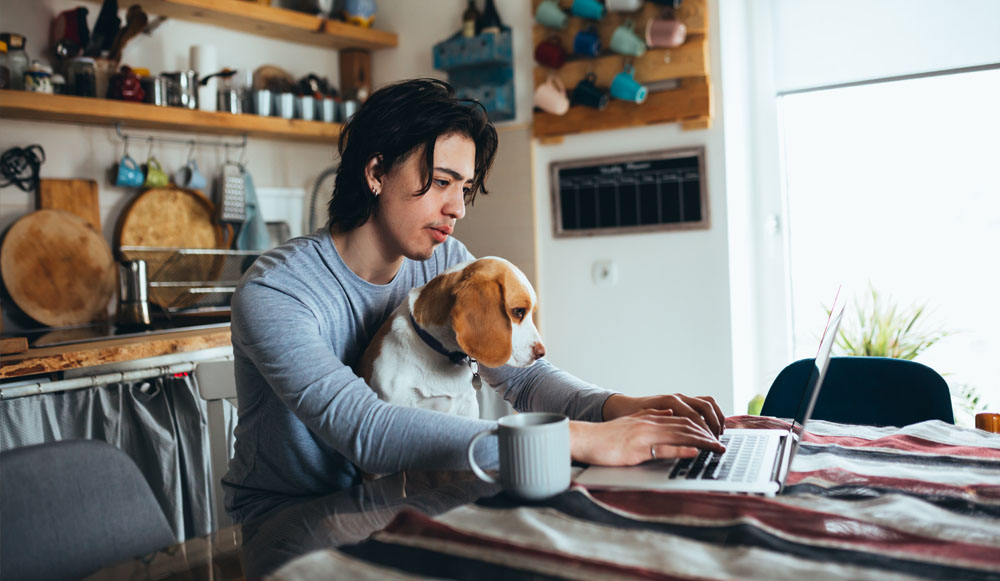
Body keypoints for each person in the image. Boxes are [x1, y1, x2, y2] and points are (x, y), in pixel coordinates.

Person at [223, 78, 726, 524]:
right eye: (441, 182)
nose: (458, 208)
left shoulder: (446, 262)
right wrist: (573, 438)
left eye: (464, 188)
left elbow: (522, 376)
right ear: (376, 172)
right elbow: (364, 429)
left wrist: (616, 408)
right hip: (293, 521)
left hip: (412, 500)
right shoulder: (278, 290)